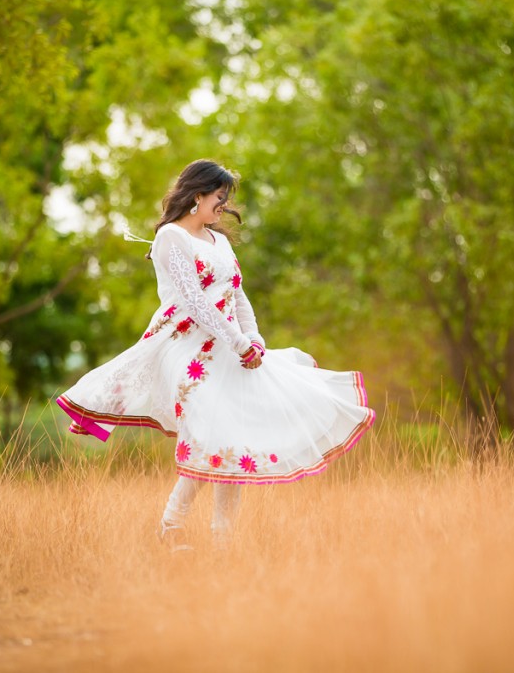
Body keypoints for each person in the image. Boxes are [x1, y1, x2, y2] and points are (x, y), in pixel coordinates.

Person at [55, 159, 375, 550]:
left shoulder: (218, 241)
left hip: (230, 349)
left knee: (235, 440)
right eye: (219, 198)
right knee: (211, 435)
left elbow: (237, 295)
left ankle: (223, 540)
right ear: (197, 195)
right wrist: (239, 343)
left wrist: (254, 339)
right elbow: (194, 302)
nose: (223, 206)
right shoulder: (171, 238)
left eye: (226, 199)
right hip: (186, 348)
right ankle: (171, 527)